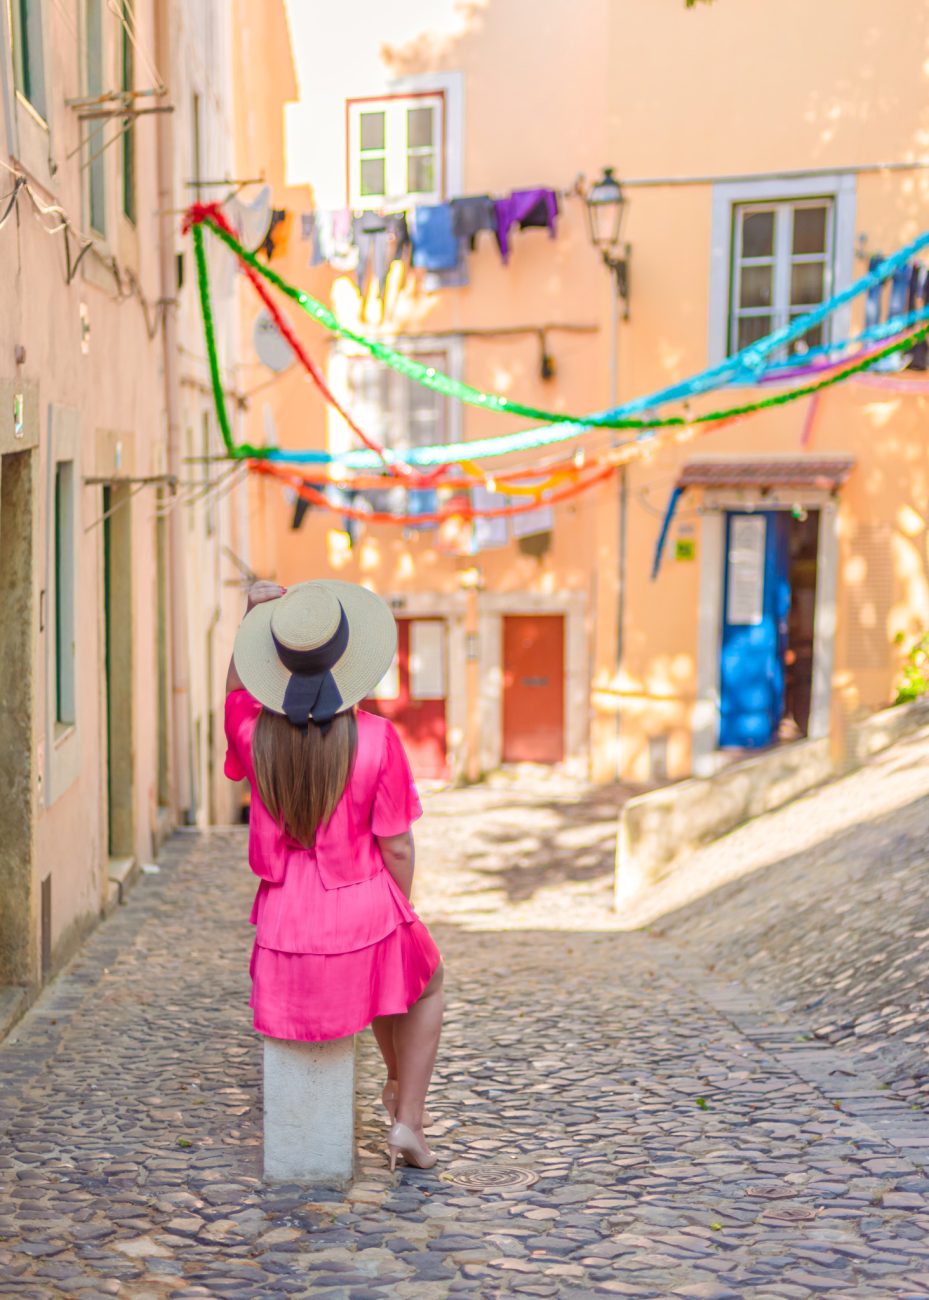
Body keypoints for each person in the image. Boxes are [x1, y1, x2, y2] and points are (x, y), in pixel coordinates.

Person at [224, 578, 443, 1171]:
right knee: (422, 983)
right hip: (364, 902)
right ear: (348, 661)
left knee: (386, 983)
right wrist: (399, 907)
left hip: (282, 921)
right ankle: (408, 1120)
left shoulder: (253, 733)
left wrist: (250, 620)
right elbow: (396, 845)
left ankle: (398, 1096)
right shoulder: (376, 738)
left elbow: (236, 697)